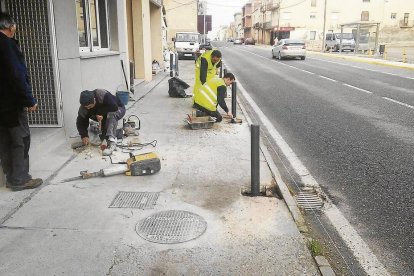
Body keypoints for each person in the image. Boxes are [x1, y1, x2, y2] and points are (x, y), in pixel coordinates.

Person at [0, 12, 43, 191]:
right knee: (20, 140)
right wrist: (29, 100)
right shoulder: (7, 45)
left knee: (4, 140)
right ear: (10, 27)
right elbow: (17, 75)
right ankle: (19, 179)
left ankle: (10, 176)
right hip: (11, 104)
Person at [76, 89, 126, 156]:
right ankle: (122, 131)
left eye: (90, 106)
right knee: (101, 138)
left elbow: (114, 107)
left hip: (118, 108)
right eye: (86, 107)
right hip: (102, 114)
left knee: (111, 115)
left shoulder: (101, 94)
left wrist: (100, 113)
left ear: (94, 100)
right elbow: (80, 121)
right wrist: (84, 135)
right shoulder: (84, 107)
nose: (88, 108)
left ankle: (112, 141)